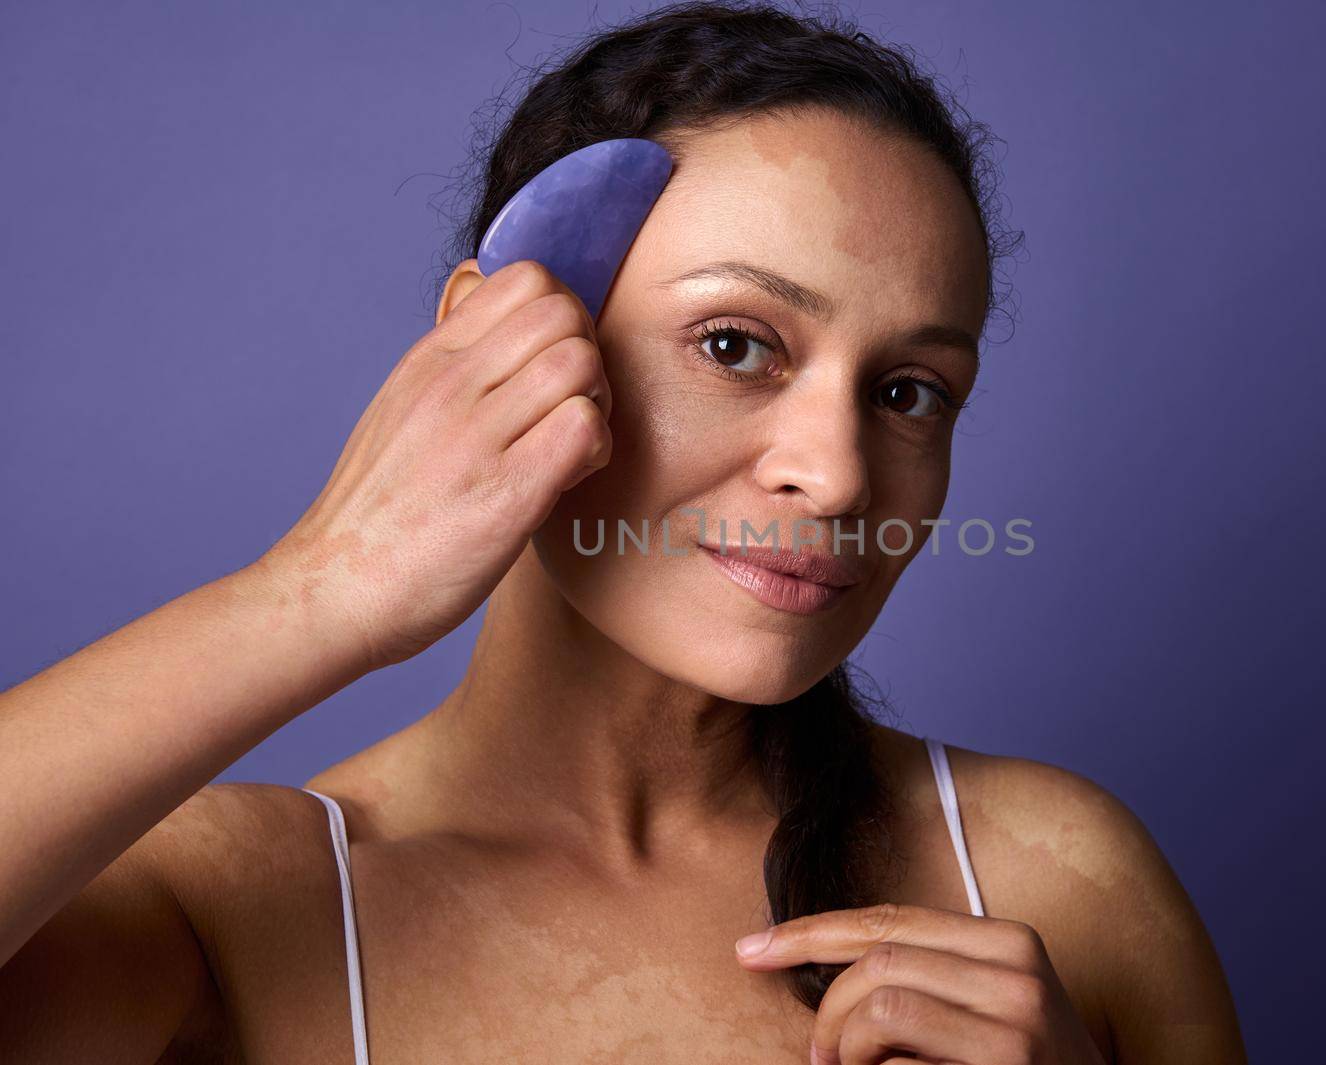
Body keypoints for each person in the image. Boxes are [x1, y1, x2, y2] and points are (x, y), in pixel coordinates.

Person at [0, 2, 1246, 1061]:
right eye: (734, 345)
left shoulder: (1054, 877)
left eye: (908, 389)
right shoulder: (236, 908)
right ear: (499, 349)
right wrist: (319, 592)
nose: (835, 472)